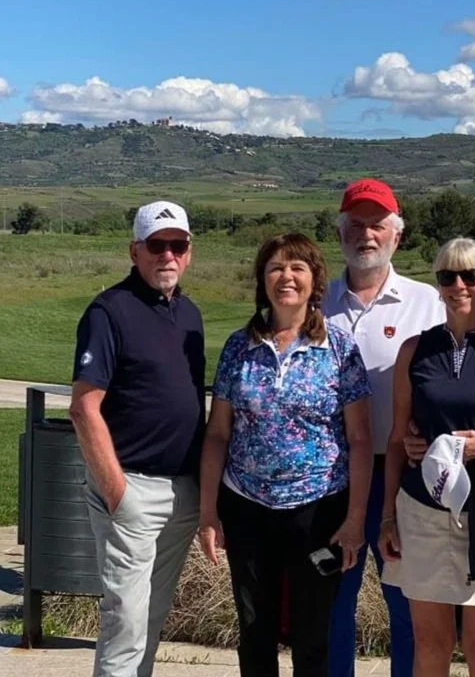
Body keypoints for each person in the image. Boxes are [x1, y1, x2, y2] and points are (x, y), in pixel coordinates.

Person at [198, 232, 373, 677]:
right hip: (247, 506)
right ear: (262, 280)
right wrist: (208, 512)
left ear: (316, 281)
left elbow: (359, 439)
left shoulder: (339, 348)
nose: (286, 277)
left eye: (297, 268)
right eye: (275, 267)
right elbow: (218, 433)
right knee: (255, 630)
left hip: (318, 510)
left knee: (313, 636)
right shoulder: (240, 347)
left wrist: (354, 521)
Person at [378, 237, 475, 677]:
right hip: (422, 512)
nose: (459, 285)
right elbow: (395, 440)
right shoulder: (414, 351)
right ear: (439, 284)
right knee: (431, 644)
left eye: (471, 275)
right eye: (448, 276)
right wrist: (387, 516)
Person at [70, 201, 204, 677]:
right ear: (135, 250)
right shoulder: (109, 311)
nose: (167, 255)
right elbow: (84, 406)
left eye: (177, 245)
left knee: (151, 616)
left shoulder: (189, 314)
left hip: (181, 491)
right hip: (132, 488)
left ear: (188, 253)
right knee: (125, 620)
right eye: (156, 245)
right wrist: (116, 491)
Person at [324, 178, 446, 677]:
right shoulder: (316, 301)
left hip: (402, 474)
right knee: (331, 601)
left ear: (397, 234)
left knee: (407, 603)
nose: (367, 235)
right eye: (357, 224)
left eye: (377, 225)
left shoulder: (428, 302)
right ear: (341, 233)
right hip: (331, 478)